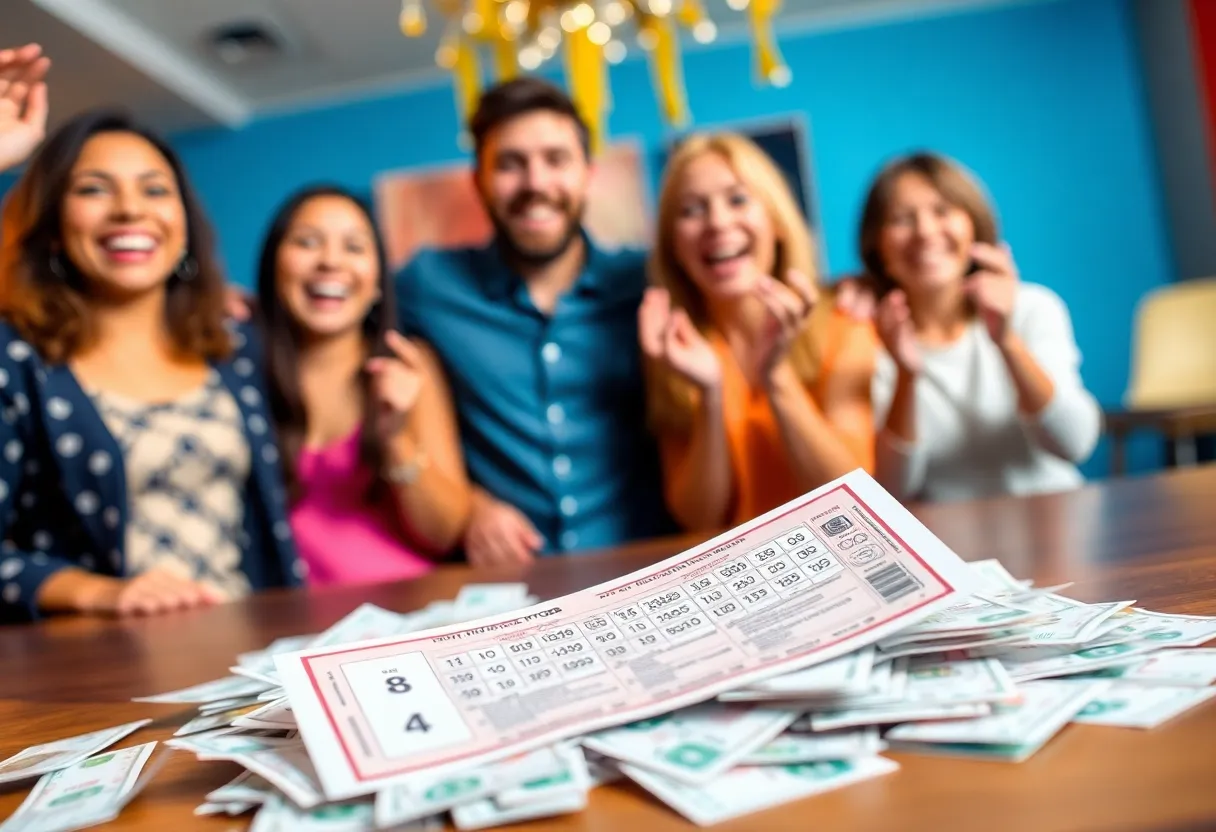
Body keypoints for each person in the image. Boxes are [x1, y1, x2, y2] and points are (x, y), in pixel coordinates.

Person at [0, 63, 302, 621]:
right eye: (93, 189)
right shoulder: (16, 361)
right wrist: (99, 592)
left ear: (183, 223)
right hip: (106, 677)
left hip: (256, 664)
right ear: (52, 227)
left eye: (155, 189)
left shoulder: (235, 347)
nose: (131, 209)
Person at [394, 76, 672, 566]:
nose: (536, 184)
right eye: (510, 164)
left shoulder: (650, 280)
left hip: (650, 569)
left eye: (555, 160)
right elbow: (327, 315)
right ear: (477, 178)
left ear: (587, 173)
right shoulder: (427, 284)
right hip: (510, 587)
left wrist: (854, 288)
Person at [639, 133, 877, 531]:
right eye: (691, 210)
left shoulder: (845, 323)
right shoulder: (675, 346)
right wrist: (710, 395)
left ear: (778, 223)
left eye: (737, 199)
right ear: (674, 247)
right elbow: (697, 517)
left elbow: (853, 497)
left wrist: (776, 375)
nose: (717, 222)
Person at [255, 185, 470, 587]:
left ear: (376, 283)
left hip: (415, 610)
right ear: (273, 269)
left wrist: (395, 439)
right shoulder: (244, 378)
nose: (331, 261)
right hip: (294, 624)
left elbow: (445, 533)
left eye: (354, 247)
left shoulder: (410, 366)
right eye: (307, 242)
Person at [862, 151, 1101, 502]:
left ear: (974, 225)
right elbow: (895, 490)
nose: (926, 232)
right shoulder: (868, 339)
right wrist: (906, 375)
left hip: (1059, 520)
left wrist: (1005, 340)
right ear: (877, 247)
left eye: (942, 211)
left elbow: (1075, 444)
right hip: (949, 544)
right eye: (901, 218)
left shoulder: (1033, 307)